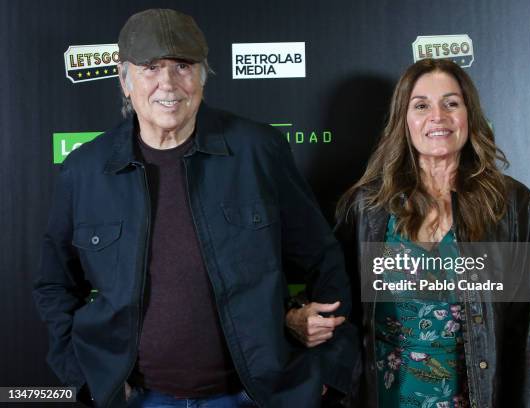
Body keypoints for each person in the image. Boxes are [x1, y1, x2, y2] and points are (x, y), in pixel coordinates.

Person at [33, 8, 357, 408]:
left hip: (250, 396)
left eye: (183, 66)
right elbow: (54, 285)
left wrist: (328, 370)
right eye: (150, 67)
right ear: (124, 79)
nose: (167, 83)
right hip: (138, 398)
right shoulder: (84, 170)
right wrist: (84, 378)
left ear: (202, 76)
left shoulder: (258, 151)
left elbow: (324, 259)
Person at [332, 58, 530, 407]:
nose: (438, 116)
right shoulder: (367, 207)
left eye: (451, 103)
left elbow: (524, 334)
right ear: (404, 120)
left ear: (468, 115)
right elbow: (340, 312)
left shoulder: (511, 204)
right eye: (421, 105)